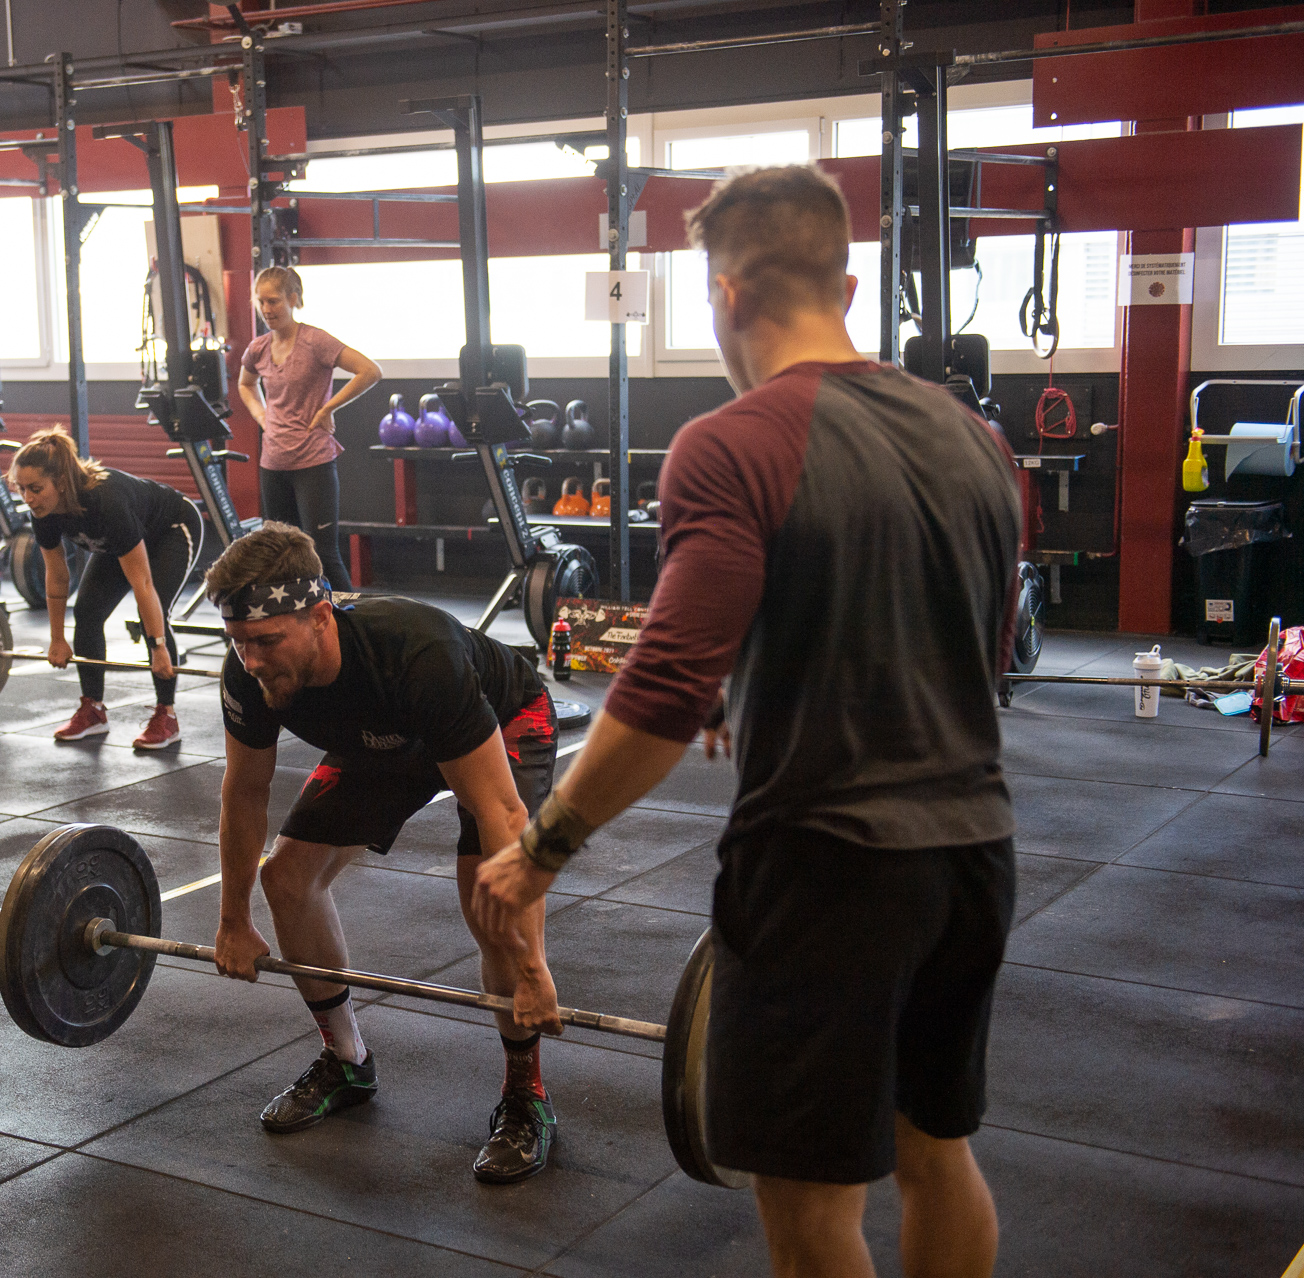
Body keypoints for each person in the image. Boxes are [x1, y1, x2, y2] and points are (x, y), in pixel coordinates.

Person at [471, 166, 1020, 1277]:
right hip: (974, 852)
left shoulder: (730, 443)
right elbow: (957, 647)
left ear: (723, 294)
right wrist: (752, 676)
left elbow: (663, 691)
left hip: (826, 868)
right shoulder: (976, 444)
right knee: (937, 1152)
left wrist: (537, 852)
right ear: (849, 283)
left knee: (812, 1208)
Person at [209, 523, 562, 1184]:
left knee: (488, 905)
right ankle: (346, 1060)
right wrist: (234, 918)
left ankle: (526, 1096)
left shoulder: (414, 652)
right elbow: (245, 792)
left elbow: (501, 812)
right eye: (237, 641)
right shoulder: (250, 675)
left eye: (264, 640)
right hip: (386, 736)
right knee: (286, 878)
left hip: (505, 720)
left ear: (319, 618)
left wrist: (533, 964)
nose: (251, 659)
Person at [8, 427, 204, 751]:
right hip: (120, 542)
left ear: (59, 481)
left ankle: (166, 715)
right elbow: (57, 578)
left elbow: (142, 583)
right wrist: (57, 639)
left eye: (35, 488)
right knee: (87, 612)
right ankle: (93, 710)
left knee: (152, 616)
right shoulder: (43, 513)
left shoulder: (104, 500)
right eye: (22, 489)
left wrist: (158, 648)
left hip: (170, 528)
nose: (28, 498)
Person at [235, 266, 380, 592]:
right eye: (261, 302)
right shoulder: (258, 348)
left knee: (322, 554)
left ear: (294, 299)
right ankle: (299, 626)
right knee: (283, 553)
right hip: (274, 463)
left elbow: (369, 371)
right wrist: (262, 417)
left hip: (313, 461)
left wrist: (329, 407)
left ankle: (353, 626)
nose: (267, 309)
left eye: (273, 301)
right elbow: (245, 384)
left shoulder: (316, 341)